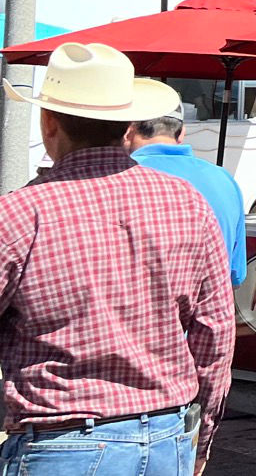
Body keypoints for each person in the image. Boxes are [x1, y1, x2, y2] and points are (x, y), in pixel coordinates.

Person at [0, 43, 234, 474]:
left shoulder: (19, 214)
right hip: (167, 437)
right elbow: (215, 335)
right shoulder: (187, 203)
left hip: (61, 442)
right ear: (128, 128)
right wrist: (203, 434)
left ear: (48, 122)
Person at [126, 111, 248, 286]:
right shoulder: (224, 179)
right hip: (210, 307)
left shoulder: (114, 178)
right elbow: (236, 274)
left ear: (129, 130)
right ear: (182, 132)